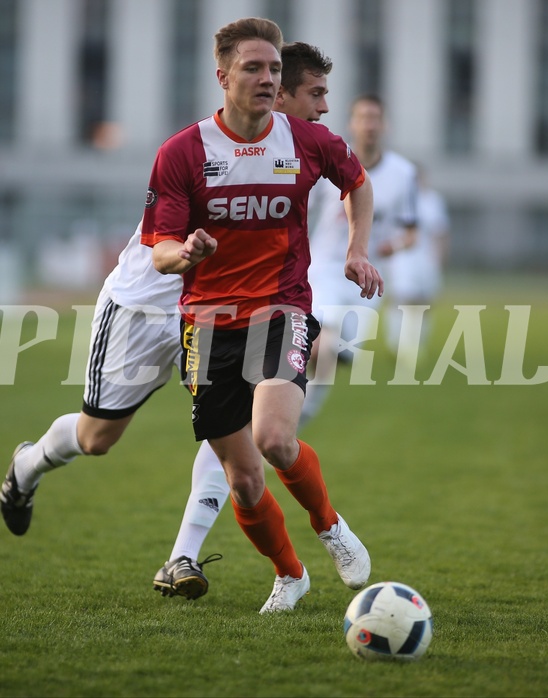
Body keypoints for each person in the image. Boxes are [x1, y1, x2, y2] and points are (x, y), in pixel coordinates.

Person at [0, 39, 336, 604]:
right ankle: (26, 466)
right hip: (142, 306)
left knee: (237, 430)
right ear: (277, 96)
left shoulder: (297, 151)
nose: (323, 111)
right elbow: (166, 245)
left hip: (220, 314)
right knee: (96, 436)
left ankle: (184, 554)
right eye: (314, 96)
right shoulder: (202, 146)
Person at [141, 17, 382, 614]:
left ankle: (329, 526)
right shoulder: (182, 152)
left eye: (274, 69)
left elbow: (357, 182)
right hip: (206, 322)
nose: (268, 79)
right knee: (244, 482)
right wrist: (185, 251)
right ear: (222, 76)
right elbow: (161, 245)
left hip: (282, 309)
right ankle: (290, 573)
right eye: (253, 68)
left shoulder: (304, 140)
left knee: (276, 439)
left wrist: (356, 251)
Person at [302, 93, 418, 424]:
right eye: (362, 118)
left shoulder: (403, 174)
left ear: (385, 125)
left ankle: (299, 411)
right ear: (352, 123)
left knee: (333, 352)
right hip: (324, 269)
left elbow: (412, 231)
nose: (369, 125)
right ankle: (290, 414)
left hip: (366, 281)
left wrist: (392, 247)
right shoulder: (329, 163)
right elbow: (300, 211)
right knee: (322, 342)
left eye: (375, 118)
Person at [386, 162, 450, 361]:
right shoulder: (397, 199)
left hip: (426, 259)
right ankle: (398, 343)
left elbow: (441, 232)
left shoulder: (433, 200)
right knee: (403, 299)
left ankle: (417, 343)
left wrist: (438, 260)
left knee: (424, 303)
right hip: (403, 257)